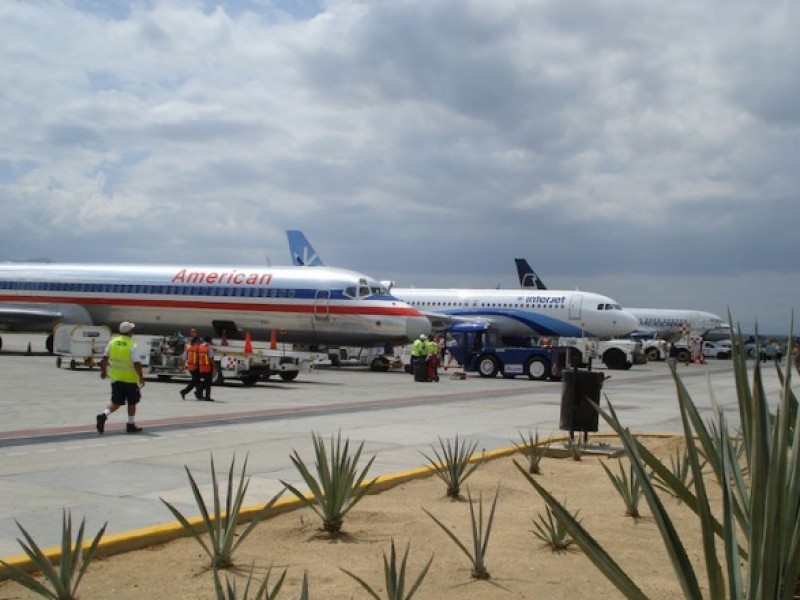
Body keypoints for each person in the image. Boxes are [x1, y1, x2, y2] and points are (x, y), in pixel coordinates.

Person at [96, 321, 144, 434]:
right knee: (132, 402)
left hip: (116, 378)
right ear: (128, 332)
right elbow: (137, 363)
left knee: (116, 402)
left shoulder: (112, 342)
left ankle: (104, 415)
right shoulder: (132, 345)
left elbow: (104, 358)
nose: (133, 331)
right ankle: (130, 424)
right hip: (130, 380)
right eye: (132, 329)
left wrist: (103, 372)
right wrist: (141, 377)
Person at [179, 336, 203, 400]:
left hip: (190, 367)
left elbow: (183, 358)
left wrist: (182, 366)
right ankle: (184, 392)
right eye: (199, 341)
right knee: (195, 382)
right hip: (196, 367)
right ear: (196, 342)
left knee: (197, 381)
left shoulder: (188, 349)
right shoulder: (198, 348)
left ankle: (199, 395)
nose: (200, 343)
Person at [197, 336, 216, 401]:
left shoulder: (200, 346)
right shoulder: (209, 348)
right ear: (210, 341)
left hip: (201, 367)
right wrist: (214, 367)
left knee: (203, 381)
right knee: (208, 383)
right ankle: (207, 397)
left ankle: (198, 392)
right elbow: (211, 359)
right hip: (208, 367)